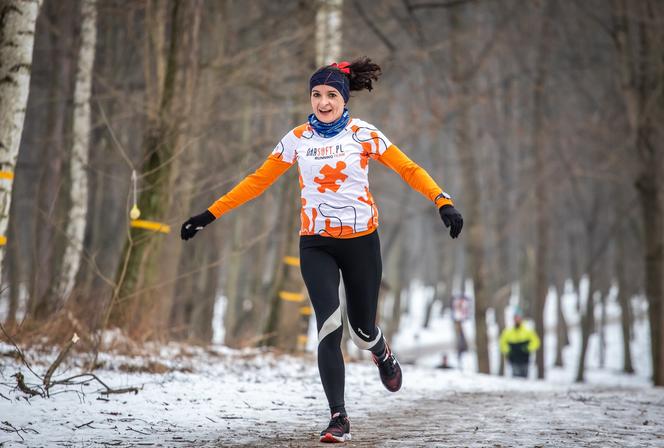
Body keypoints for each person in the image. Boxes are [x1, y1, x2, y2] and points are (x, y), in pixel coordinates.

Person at [181, 57, 463, 444]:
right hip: (315, 244)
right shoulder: (297, 140)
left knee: (362, 330)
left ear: (345, 100)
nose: (324, 102)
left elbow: (409, 169)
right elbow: (256, 182)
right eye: (316, 94)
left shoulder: (364, 134)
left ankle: (380, 350)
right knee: (329, 325)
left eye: (332, 95)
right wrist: (209, 214)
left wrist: (442, 201)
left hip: (362, 243)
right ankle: (338, 417)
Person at [499, 310, 541, 378]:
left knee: (524, 377)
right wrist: (508, 350)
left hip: (525, 359)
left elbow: (536, 342)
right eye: (516, 318)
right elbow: (502, 343)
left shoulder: (527, 331)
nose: (517, 320)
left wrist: (527, 348)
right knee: (516, 377)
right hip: (514, 359)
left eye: (519, 318)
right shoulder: (508, 332)